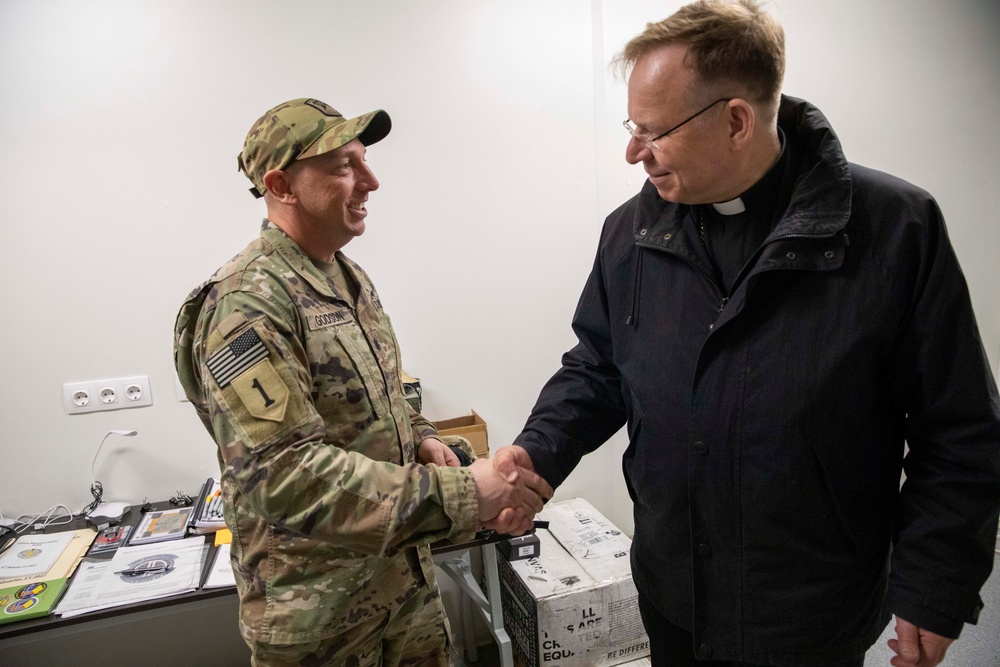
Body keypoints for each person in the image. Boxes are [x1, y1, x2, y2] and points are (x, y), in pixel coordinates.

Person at [495, 2, 1000, 666]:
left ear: (735, 121)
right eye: (631, 126)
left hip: (810, 614)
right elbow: (598, 365)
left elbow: (959, 431)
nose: (631, 151)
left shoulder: (897, 230)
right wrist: (537, 454)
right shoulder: (632, 233)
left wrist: (934, 585)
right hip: (673, 595)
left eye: (653, 131)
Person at [174, 97, 551, 667]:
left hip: (402, 591)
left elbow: (386, 398)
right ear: (282, 185)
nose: (371, 181)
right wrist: (470, 494)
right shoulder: (245, 304)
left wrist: (425, 437)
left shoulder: (348, 277)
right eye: (345, 166)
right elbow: (288, 478)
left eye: (364, 161)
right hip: (321, 622)